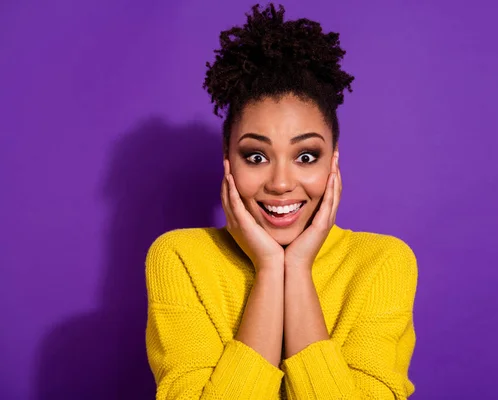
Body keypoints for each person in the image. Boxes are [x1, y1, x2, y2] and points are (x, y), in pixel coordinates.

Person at [145, 3, 418, 399]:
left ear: (333, 162)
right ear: (228, 162)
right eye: (256, 156)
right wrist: (271, 268)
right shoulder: (179, 258)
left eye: (306, 156)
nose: (281, 182)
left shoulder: (382, 263)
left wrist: (300, 268)